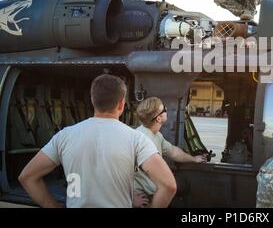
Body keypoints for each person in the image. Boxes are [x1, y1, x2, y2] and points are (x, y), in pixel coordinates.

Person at [18, 74, 176, 208]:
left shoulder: (64, 136)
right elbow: (169, 186)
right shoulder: (136, 139)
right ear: (121, 104)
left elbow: (27, 177)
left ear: (93, 100)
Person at [133, 97, 207, 207]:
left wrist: (194, 159)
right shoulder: (138, 138)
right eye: (164, 109)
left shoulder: (156, 135)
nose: (166, 109)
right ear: (158, 118)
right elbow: (116, 171)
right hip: (142, 197)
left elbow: (173, 152)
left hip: (155, 192)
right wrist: (131, 197)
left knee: (182, 185)